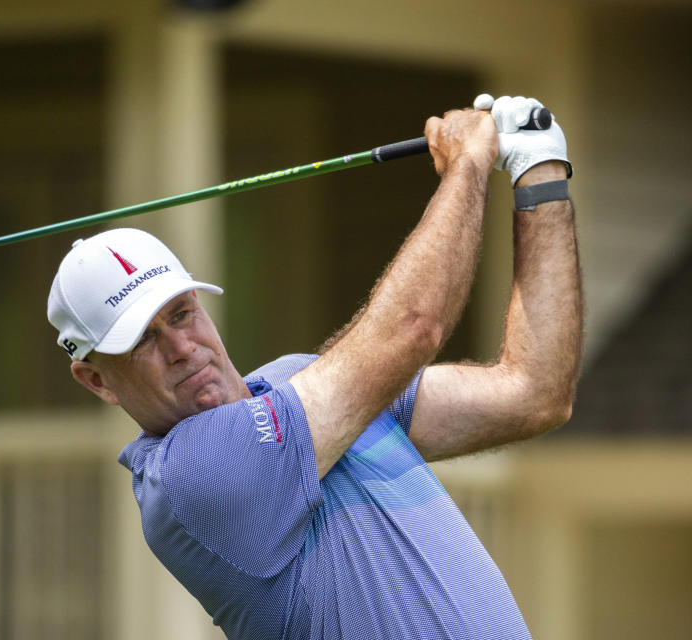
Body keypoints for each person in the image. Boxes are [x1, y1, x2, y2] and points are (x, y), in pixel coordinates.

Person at [46, 94, 582, 639]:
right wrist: (467, 162)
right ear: (96, 379)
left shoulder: (299, 380)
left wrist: (539, 172)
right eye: (141, 340)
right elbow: (412, 328)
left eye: (182, 314)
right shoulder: (188, 478)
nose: (181, 347)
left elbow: (534, 392)